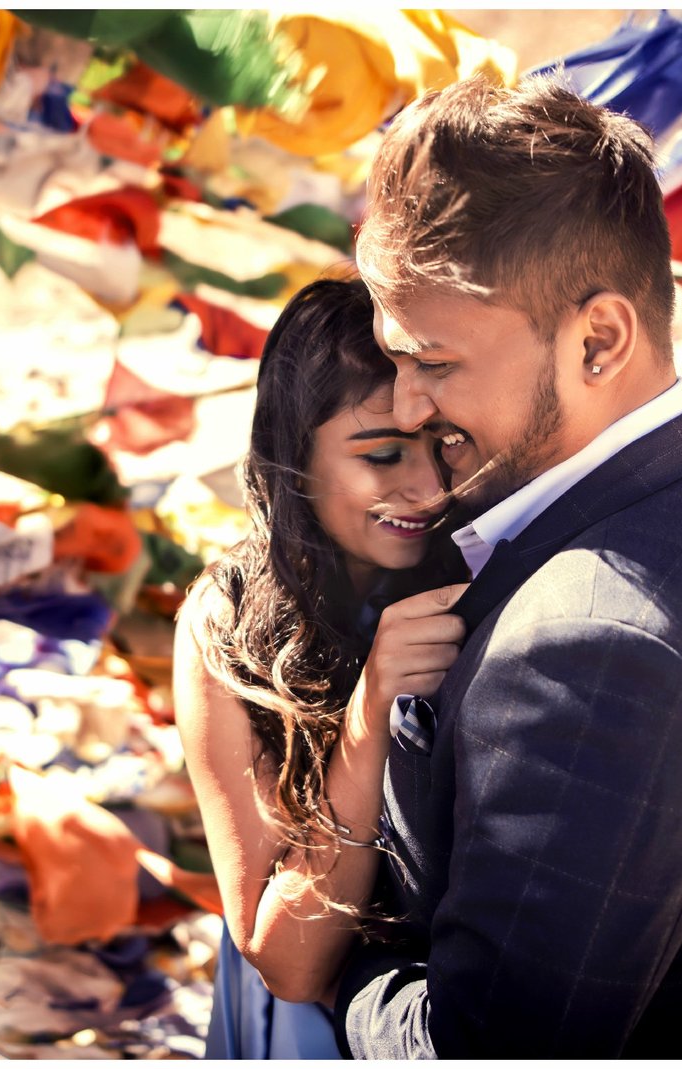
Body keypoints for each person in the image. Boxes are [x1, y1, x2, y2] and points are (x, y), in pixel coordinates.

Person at [331, 73, 682, 1057]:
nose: (407, 405)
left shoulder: (590, 652)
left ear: (597, 339)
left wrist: (341, 965)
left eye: (433, 361)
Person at [174, 278, 470, 1058]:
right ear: (293, 453)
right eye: (382, 455)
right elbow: (287, 962)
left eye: (443, 445)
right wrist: (371, 712)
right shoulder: (229, 625)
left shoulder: (480, 570)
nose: (430, 487)